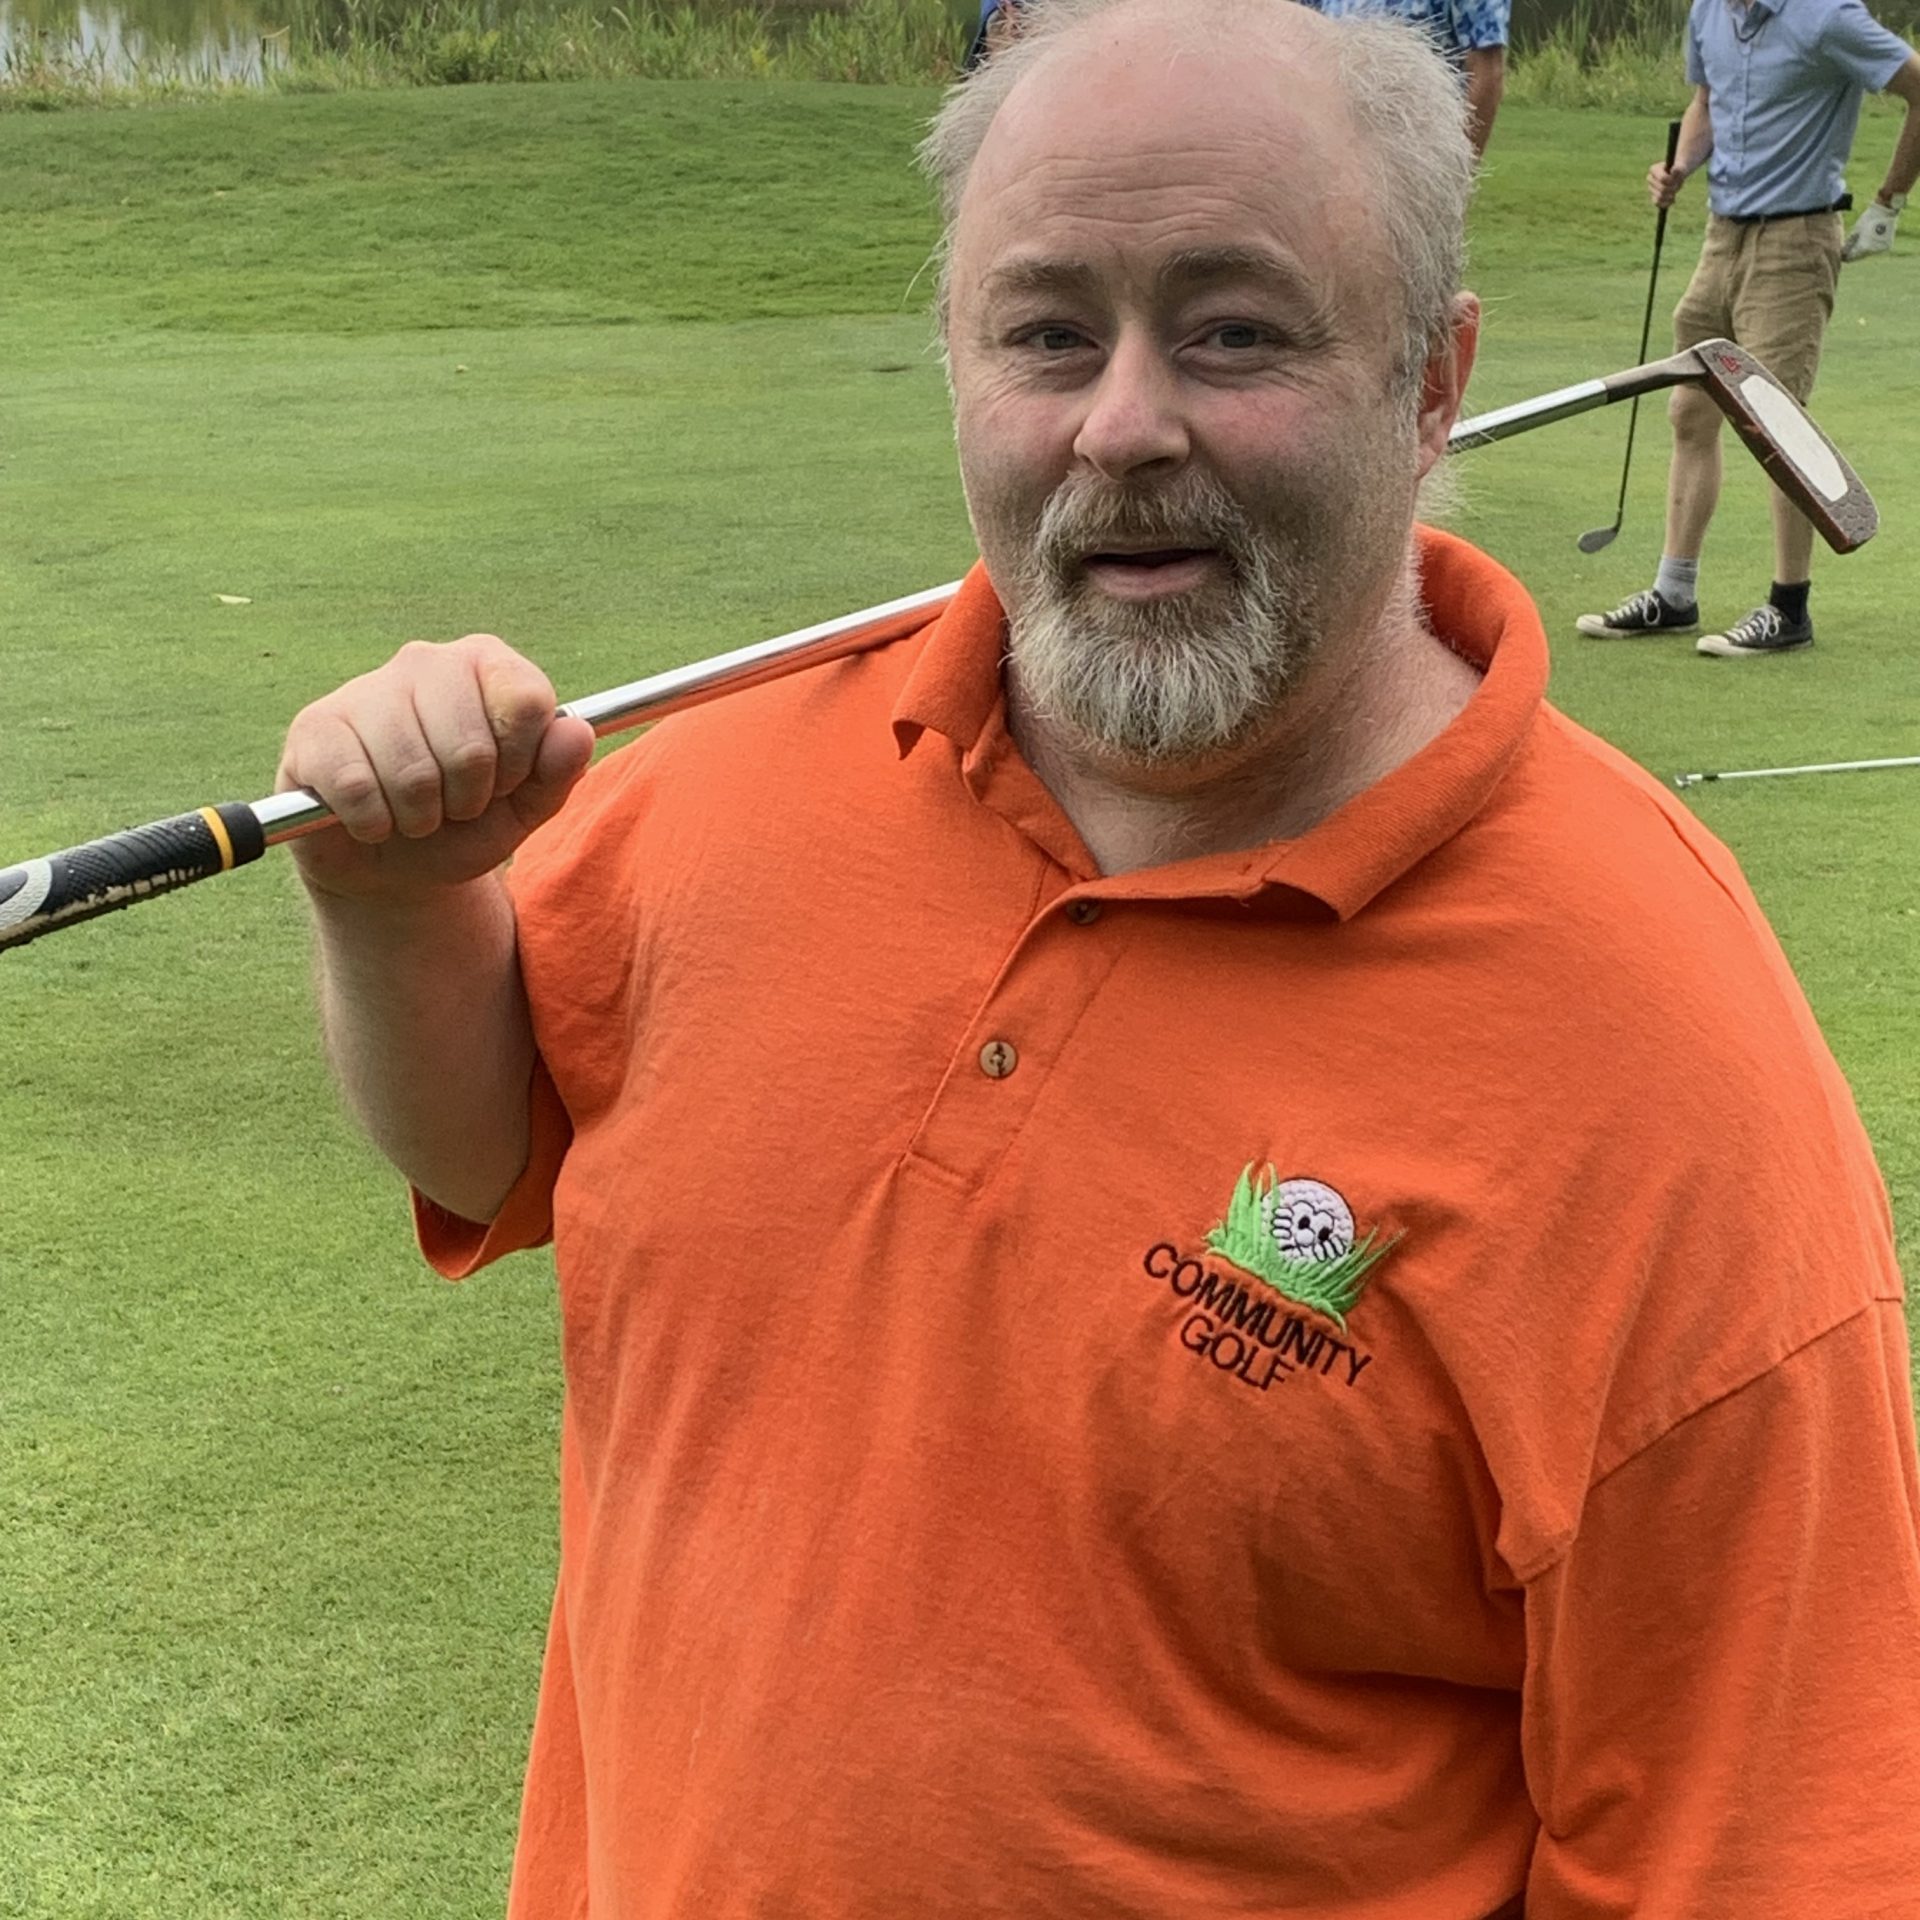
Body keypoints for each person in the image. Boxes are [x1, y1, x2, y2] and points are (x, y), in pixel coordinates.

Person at [279, 1, 1920, 1913]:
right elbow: (495, 1140)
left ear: (1433, 382)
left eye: (1235, 332)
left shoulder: (1665, 1053)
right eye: (1048, 334)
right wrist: (395, 902)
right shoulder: (732, 778)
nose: (1123, 426)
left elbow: (1765, 1842)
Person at [1578, 0, 1919, 657]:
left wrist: (1889, 203)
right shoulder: (1709, 11)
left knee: (1780, 426)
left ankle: (1789, 608)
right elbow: (1706, 102)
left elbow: (1917, 86)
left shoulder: (1827, 17)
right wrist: (1681, 165)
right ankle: (1674, 592)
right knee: (1690, 410)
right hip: (1721, 237)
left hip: (1796, 239)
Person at [1300, 0, 1508, 158]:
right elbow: (1300, 39)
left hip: (1419, 152)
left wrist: (1459, 170)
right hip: (1337, 144)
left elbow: (1487, 73)